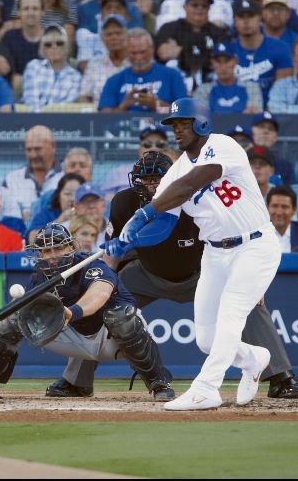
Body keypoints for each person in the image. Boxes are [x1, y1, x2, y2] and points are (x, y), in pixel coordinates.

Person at [49, 150, 298, 400]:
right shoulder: (123, 202)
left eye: (157, 179)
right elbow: (112, 258)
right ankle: (76, 381)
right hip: (145, 274)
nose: (151, 186)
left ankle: (281, 377)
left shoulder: (198, 200)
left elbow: (230, 244)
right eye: (146, 180)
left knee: (249, 303)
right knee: (99, 303)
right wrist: (100, 287)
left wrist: (251, 284)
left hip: (202, 272)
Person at [107, 97, 283, 410]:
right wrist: (125, 239)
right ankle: (254, 358)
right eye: (173, 125)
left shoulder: (222, 145)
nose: (177, 130)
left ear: (201, 122)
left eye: (183, 123)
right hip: (215, 254)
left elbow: (194, 182)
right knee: (205, 338)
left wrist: (147, 211)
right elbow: (163, 225)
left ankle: (207, 388)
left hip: (254, 245)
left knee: (231, 312)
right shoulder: (174, 173)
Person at [0, 223, 175, 401]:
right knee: (11, 320)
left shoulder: (91, 265)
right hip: (74, 334)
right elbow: (25, 314)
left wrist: (72, 311)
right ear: (39, 254)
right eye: (46, 250)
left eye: (58, 247)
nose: (53, 255)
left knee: (121, 317)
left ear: (71, 247)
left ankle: (159, 383)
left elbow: (100, 294)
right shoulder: (39, 276)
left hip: (113, 339)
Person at [98, 28, 187, 113]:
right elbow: (103, 118)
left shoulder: (172, 76)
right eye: (134, 53)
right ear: (126, 52)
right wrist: (124, 105)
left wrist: (156, 104)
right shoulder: (114, 80)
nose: (139, 57)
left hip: (163, 127)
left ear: (152, 49)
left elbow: (184, 112)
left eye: (142, 52)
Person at [154, 0, 230, 93]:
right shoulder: (170, 28)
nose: (199, 8)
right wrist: (204, 53)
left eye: (204, 6)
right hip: (175, 83)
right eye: (195, 5)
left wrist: (180, 52)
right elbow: (163, 53)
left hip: (210, 84)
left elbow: (223, 59)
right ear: (185, 7)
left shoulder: (218, 32)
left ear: (209, 9)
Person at [229, 0, 293, 106]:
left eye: (251, 16)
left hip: (273, 111)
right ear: (234, 20)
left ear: (260, 18)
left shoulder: (281, 48)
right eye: (241, 17)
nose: (246, 21)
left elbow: (283, 92)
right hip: (237, 111)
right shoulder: (229, 51)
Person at [2, 125, 62, 223]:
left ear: (53, 146)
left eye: (38, 149)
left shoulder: (66, 176)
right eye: (29, 150)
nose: (33, 155)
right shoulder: (12, 179)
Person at [21, 25, 81, 112]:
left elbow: (68, 107)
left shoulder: (76, 76)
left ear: (66, 46)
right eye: (48, 44)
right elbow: (31, 100)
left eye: (59, 43)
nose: (54, 47)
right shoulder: (33, 67)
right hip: (32, 120)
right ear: (43, 48)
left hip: (62, 123)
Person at [192, 43, 263, 114]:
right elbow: (201, 118)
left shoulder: (251, 87)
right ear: (212, 63)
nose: (223, 67)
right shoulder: (203, 90)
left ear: (235, 61)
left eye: (227, 61)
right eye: (218, 61)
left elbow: (253, 118)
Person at [77, 14, 128, 106]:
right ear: (102, 39)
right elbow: (83, 96)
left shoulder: (135, 63)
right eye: (109, 34)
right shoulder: (94, 64)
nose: (113, 37)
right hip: (99, 116)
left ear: (126, 36)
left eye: (118, 33)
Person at [26, 173, 85, 243]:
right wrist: (60, 221)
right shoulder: (45, 215)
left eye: (77, 194)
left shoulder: (89, 214)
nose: (72, 199)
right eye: (67, 194)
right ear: (59, 196)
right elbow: (32, 240)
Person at [1, 0, 44, 93]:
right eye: (26, 9)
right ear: (19, 12)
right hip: (15, 91)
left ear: (43, 12)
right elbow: (6, 72)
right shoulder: (9, 37)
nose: (31, 13)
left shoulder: (51, 38)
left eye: (35, 8)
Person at [250, 111, 295, 186]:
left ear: (275, 137)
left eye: (270, 129)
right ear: (252, 131)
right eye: (261, 126)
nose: (266, 131)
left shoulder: (285, 167)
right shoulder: (241, 160)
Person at [267, 185, 298, 253]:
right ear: (267, 208)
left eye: (284, 207)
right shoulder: (258, 235)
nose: (279, 212)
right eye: (275, 206)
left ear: (294, 210)